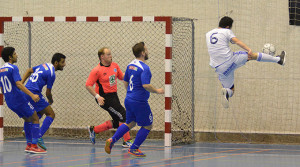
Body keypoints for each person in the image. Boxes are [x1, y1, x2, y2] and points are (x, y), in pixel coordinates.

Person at [206, 16, 286, 108]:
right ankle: (279, 60)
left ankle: (227, 93)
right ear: (228, 27)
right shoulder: (226, 31)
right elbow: (237, 42)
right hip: (230, 60)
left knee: (231, 89)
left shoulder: (208, 34)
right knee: (251, 56)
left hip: (219, 68)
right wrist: (248, 49)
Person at [104, 42, 164, 157]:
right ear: (142, 53)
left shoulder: (130, 65)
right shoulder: (145, 68)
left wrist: (131, 94)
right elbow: (146, 85)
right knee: (147, 125)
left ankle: (112, 139)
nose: (147, 51)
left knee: (130, 123)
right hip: (139, 102)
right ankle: (134, 148)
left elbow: (125, 81)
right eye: (146, 49)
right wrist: (158, 90)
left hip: (129, 99)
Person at [0, 47, 46, 153]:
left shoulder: (1, 70)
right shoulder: (13, 68)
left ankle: (29, 145)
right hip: (19, 99)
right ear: (10, 57)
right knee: (35, 118)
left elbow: (2, 88)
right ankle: (34, 145)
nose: (17, 55)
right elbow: (19, 84)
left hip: (10, 101)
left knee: (27, 119)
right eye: (15, 53)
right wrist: (32, 95)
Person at [85, 47, 132, 147]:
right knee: (124, 115)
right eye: (108, 54)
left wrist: (131, 74)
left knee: (117, 121)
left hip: (114, 96)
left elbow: (121, 76)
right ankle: (127, 140)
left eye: (110, 54)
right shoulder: (97, 70)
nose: (111, 56)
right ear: (102, 57)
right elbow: (88, 85)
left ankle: (94, 129)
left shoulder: (114, 65)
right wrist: (98, 97)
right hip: (104, 98)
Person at [21, 53, 66, 150]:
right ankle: (38, 136)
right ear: (56, 62)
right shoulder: (52, 73)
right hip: (34, 93)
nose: (64, 64)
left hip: (26, 91)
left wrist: (21, 84)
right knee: (51, 114)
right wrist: (50, 100)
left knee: (38, 113)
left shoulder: (44, 65)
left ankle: (28, 130)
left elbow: (29, 70)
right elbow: (48, 92)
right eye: (62, 62)